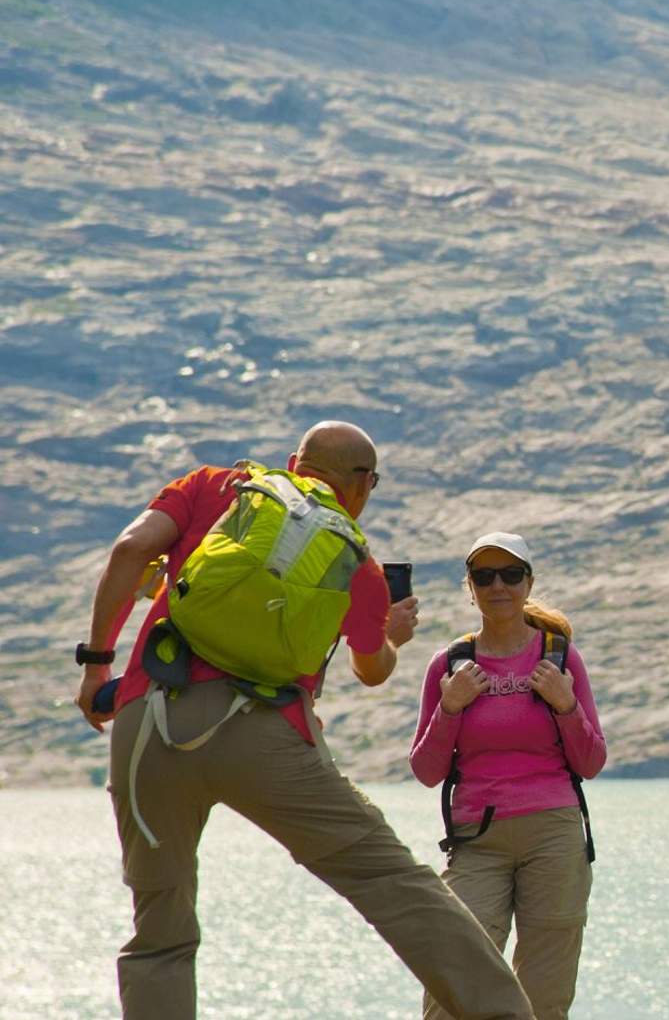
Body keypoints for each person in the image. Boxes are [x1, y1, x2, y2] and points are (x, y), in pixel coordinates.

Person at [74, 422, 534, 1020]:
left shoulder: (215, 487)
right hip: (269, 740)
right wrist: (390, 632)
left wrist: (96, 666)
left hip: (150, 724)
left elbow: (131, 549)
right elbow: (373, 669)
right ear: (364, 486)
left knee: (159, 929)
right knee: (391, 882)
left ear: (294, 462)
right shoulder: (354, 561)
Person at [410, 531, 607, 1020]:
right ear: (469, 587)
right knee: (455, 970)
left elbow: (592, 761)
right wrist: (450, 707)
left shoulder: (560, 657)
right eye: (485, 575)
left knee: (546, 991)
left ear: (528, 582)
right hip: (478, 838)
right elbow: (426, 770)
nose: (499, 585)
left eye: (511, 574)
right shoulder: (451, 665)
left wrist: (565, 704)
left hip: (554, 832)